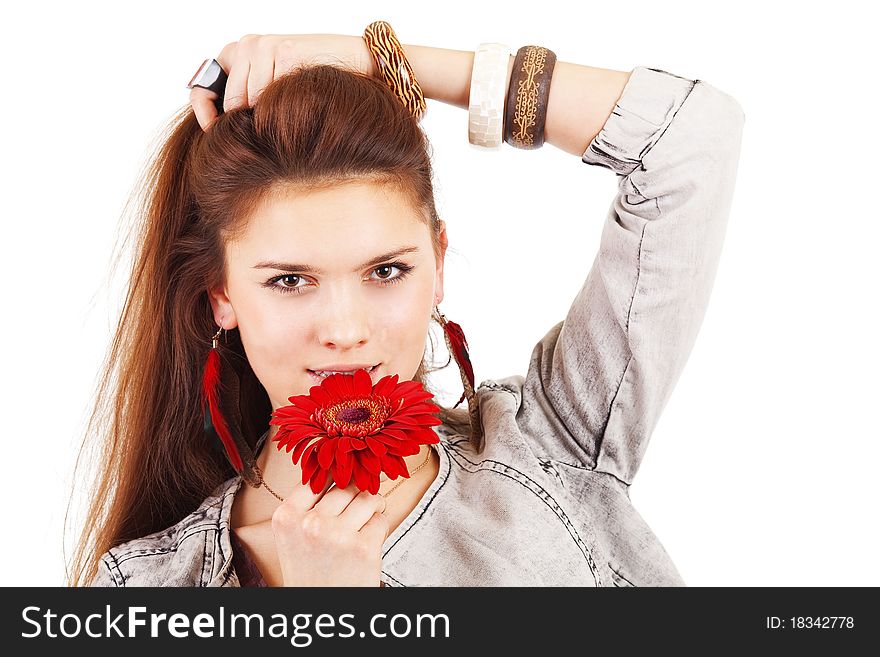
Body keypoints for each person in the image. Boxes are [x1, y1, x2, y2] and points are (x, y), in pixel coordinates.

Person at [68, 25, 744, 587]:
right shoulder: (147, 586)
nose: (344, 331)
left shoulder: (552, 444)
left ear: (439, 263)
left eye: (386, 270)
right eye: (288, 280)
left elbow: (689, 141)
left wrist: (383, 59)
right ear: (221, 295)